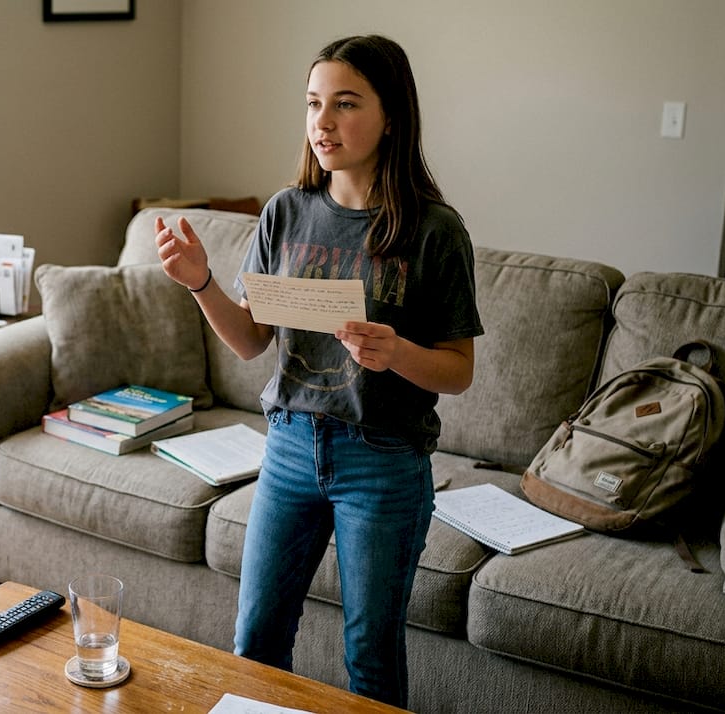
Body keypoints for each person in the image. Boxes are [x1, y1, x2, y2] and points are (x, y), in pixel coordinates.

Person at [154, 35, 483, 707]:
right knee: (256, 641)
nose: (323, 123)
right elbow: (250, 341)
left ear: (391, 116)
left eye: (345, 104)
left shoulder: (434, 231)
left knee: (370, 656)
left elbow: (457, 372)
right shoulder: (286, 212)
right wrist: (200, 283)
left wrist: (395, 353)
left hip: (384, 461)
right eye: (312, 104)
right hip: (291, 448)